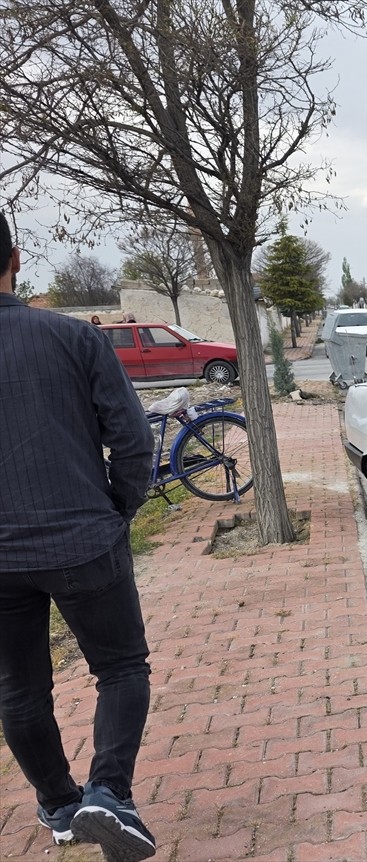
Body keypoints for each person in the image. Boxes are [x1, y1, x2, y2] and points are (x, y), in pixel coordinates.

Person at [0, 213, 157, 861]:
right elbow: (133, 440)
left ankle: (62, 804)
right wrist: (116, 510)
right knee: (121, 667)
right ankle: (107, 793)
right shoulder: (72, 338)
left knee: (19, 688)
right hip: (83, 540)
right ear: (14, 256)